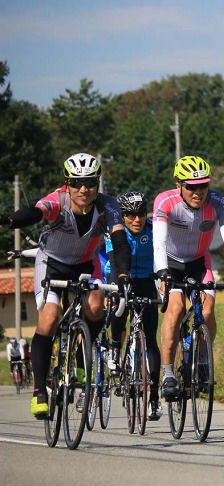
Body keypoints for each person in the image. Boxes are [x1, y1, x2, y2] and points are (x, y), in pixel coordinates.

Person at [0, 153, 131, 417]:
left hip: (85, 263)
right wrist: (10, 221)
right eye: (77, 183)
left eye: (91, 183)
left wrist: (124, 275)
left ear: (98, 183)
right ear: (67, 184)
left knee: (96, 306)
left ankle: (84, 357)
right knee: (49, 319)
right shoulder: (56, 201)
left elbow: (119, 242)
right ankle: (39, 391)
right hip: (52, 263)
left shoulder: (108, 206)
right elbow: (35, 213)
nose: (84, 189)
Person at [152, 156, 224, 399]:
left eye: (203, 186)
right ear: (178, 185)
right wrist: (162, 272)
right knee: (175, 310)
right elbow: (159, 242)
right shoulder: (166, 201)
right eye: (191, 187)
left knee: (207, 310)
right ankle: (168, 373)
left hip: (198, 262)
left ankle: (202, 358)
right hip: (169, 263)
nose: (198, 192)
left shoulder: (219, 202)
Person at [100, 191, 163, 420]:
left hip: (146, 280)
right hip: (119, 276)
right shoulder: (115, 231)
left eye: (141, 214)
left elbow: (162, 257)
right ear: (122, 215)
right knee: (118, 305)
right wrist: (117, 287)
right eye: (130, 215)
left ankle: (154, 399)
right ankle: (116, 347)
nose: (137, 220)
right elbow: (115, 260)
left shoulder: (153, 230)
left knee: (151, 339)